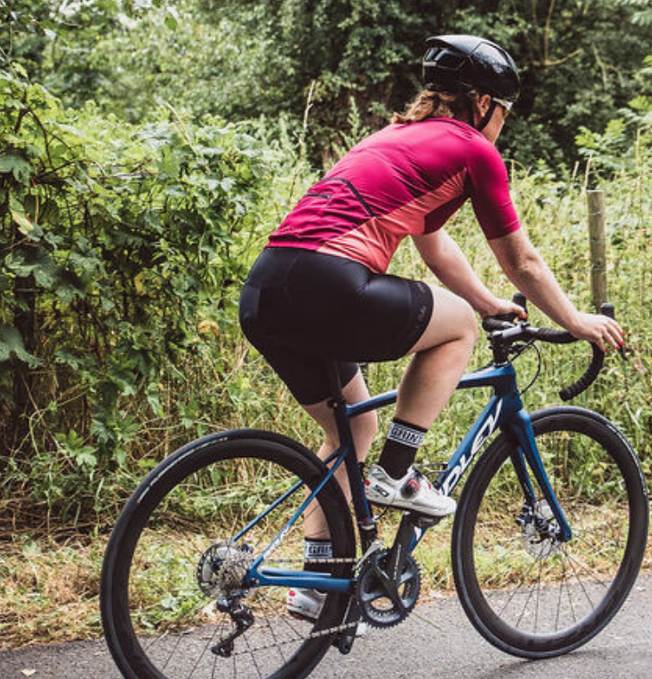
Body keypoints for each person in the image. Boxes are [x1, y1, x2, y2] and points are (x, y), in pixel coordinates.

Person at [238, 34, 625, 622]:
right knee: (458, 327)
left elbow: (435, 246)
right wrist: (575, 320)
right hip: (330, 279)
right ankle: (397, 473)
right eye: (505, 111)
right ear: (483, 104)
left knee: (352, 431)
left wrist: (494, 301)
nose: (503, 124)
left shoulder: (394, 139)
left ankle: (319, 582)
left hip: (267, 290)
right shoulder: (473, 149)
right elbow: (522, 259)